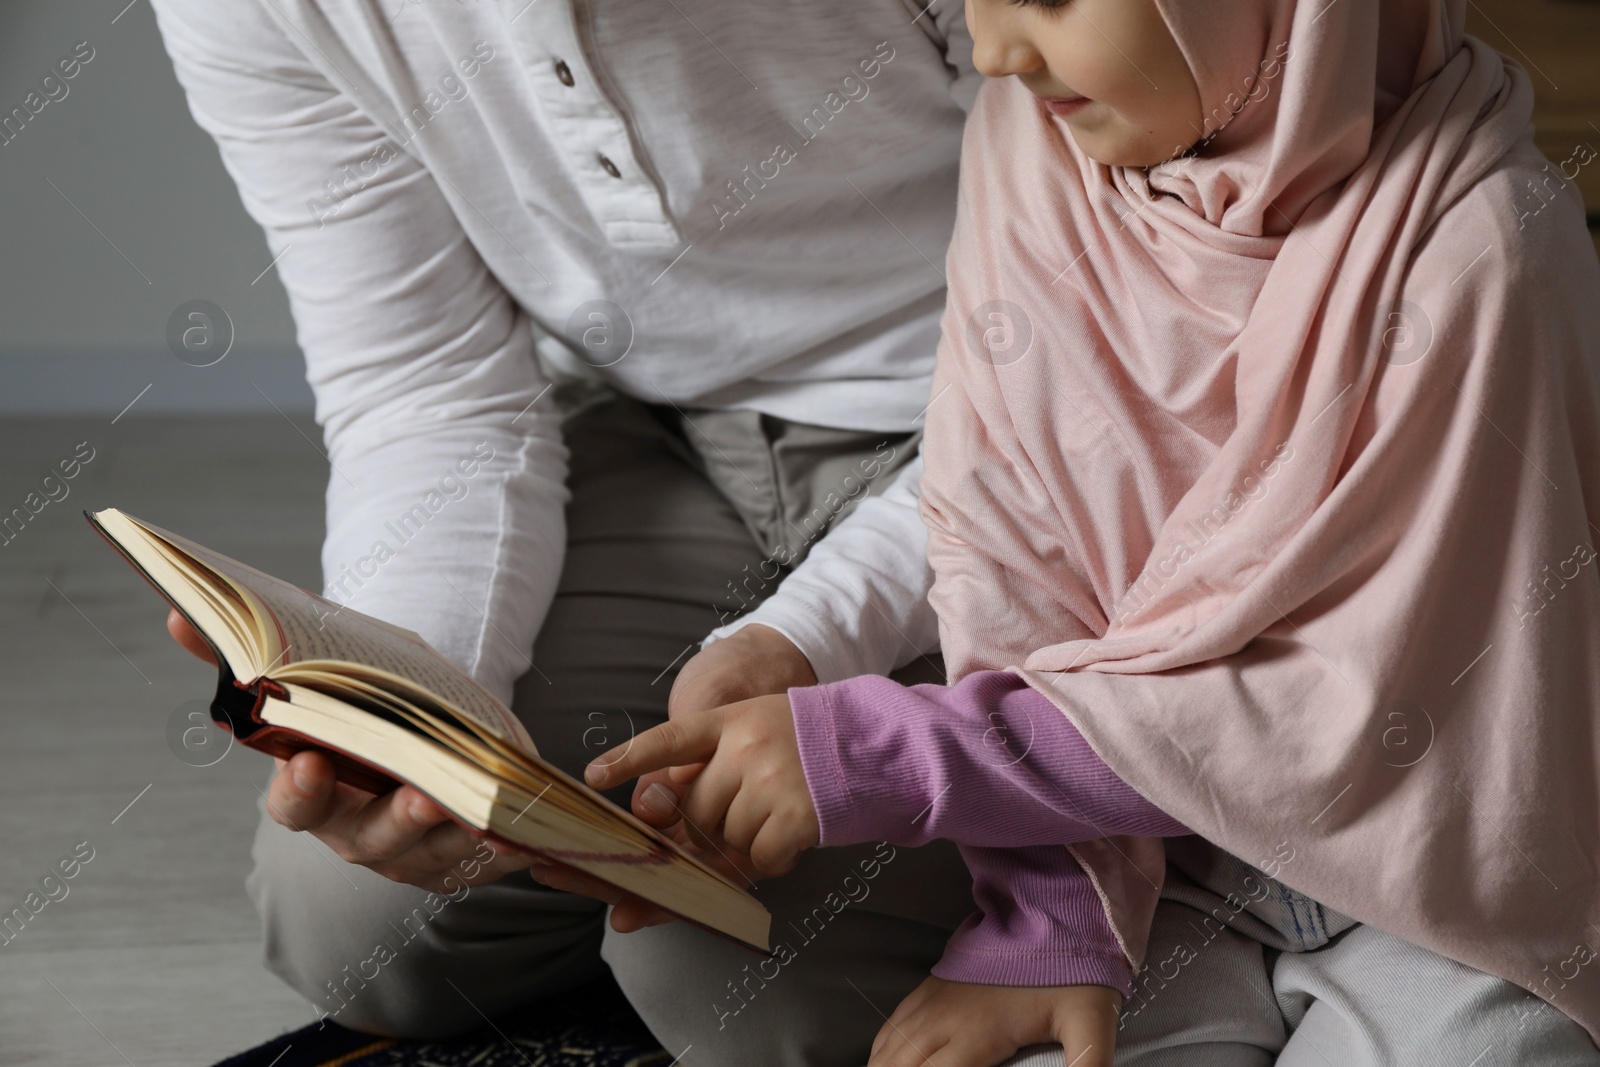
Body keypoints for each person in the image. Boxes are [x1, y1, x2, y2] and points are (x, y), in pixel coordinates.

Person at [585, 0, 1600, 1064]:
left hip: (1424, 884)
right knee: (705, 965)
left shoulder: (1482, 248)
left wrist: (890, 752)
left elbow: (1355, 711)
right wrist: (1050, 919)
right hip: (1158, 856)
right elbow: (1009, 546)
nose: (995, 52)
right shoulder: (1035, 153)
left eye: (1052, 0)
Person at [150, 1, 997, 1064]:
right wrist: (427, 704)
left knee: (740, 978)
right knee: (350, 921)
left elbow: (1101, 353)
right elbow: (428, 388)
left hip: (1037, 448)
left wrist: (807, 638)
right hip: (668, 432)